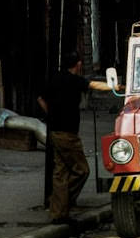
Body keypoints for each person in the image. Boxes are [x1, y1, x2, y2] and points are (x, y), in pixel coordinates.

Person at [37, 51, 122, 225]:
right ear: (78, 64)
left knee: (60, 172)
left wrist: (51, 115)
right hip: (68, 134)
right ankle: (63, 205)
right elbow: (95, 86)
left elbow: (40, 98)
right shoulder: (74, 80)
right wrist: (116, 87)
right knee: (81, 170)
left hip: (54, 131)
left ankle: (57, 212)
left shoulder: (55, 78)